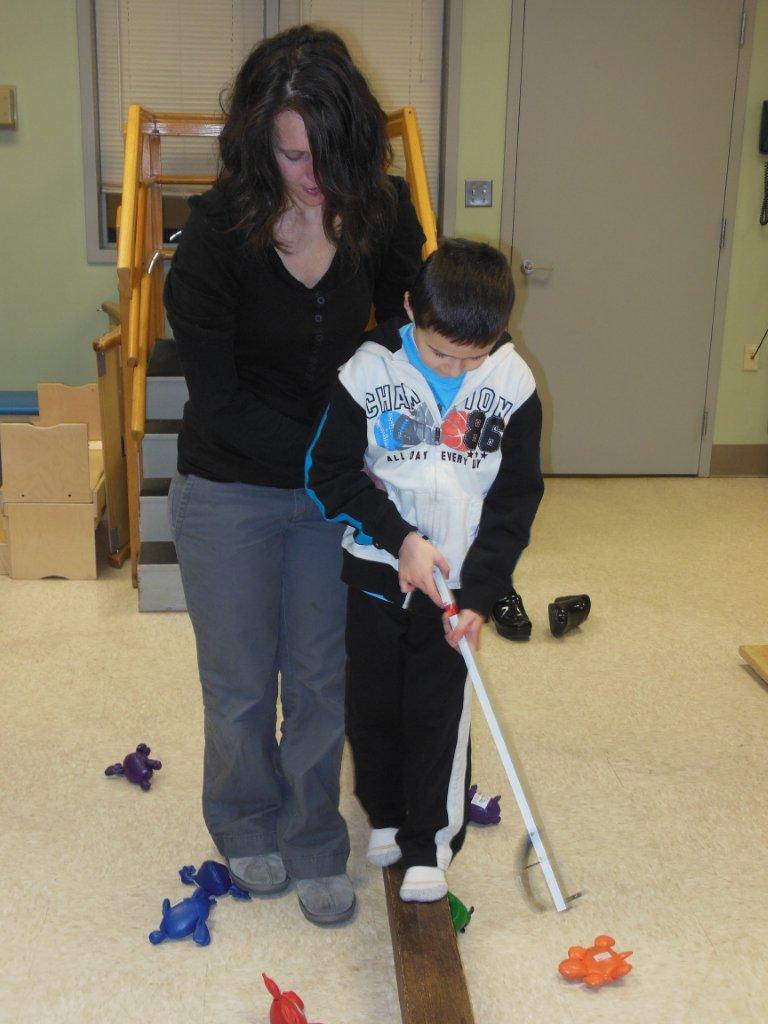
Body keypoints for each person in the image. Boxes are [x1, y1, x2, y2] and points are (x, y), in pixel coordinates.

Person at [164, 25, 425, 926]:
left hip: (334, 497)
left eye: (324, 153)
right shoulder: (213, 234)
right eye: (288, 154)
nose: (308, 174)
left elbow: (406, 348)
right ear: (256, 143)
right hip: (230, 488)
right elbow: (220, 398)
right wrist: (338, 460)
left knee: (321, 677)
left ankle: (315, 836)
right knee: (238, 682)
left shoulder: (385, 217)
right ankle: (243, 820)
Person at [305, 239, 544, 902]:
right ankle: (384, 814)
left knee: (440, 713)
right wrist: (399, 538)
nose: (457, 367)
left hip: (456, 591)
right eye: (441, 353)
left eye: (473, 357)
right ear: (411, 307)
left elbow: (514, 498)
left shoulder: (511, 383)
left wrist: (481, 594)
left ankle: (428, 845)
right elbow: (325, 475)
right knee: (373, 706)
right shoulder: (368, 369)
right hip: (378, 573)